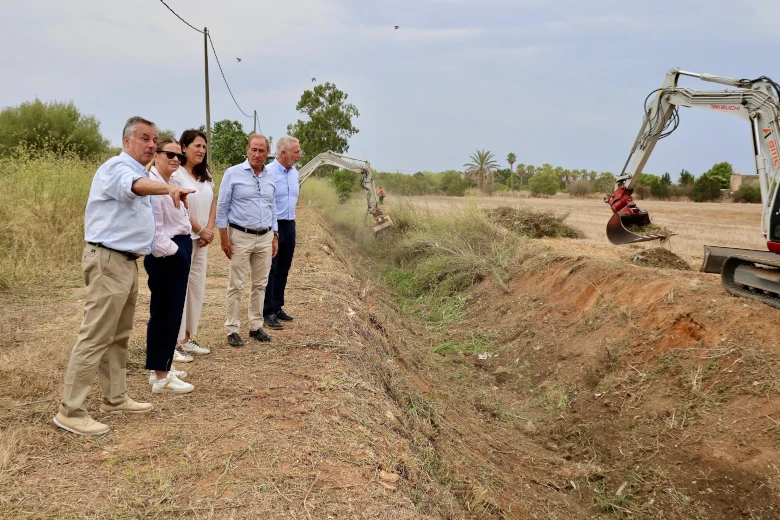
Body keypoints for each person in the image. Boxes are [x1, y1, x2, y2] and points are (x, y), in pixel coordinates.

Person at [54, 116, 194, 436]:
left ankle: (114, 398)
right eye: (145, 138)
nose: (151, 145)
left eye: (154, 139)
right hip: (108, 261)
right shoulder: (118, 168)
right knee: (95, 335)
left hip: (126, 263)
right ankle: (70, 410)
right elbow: (134, 187)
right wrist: (168, 188)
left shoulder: (139, 172)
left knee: (118, 336)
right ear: (126, 141)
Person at [216, 134, 278, 347]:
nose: (257, 154)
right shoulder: (232, 173)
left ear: (267, 153)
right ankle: (232, 328)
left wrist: (275, 235)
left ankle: (255, 325)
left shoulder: (270, 176)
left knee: (260, 284)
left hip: (265, 236)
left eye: (262, 151)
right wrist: (224, 238)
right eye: (254, 149)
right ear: (247, 149)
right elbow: (222, 207)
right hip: (240, 236)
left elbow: (273, 207)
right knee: (237, 285)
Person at [145, 137, 195, 394]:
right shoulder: (153, 187)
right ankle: (161, 375)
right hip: (168, 254)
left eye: (179, 155)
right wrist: (176, 253)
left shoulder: (172, 183)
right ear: (156, 155)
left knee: (172, 311)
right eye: (170, 155)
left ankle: (162, 367)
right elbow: (153, 229)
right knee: (164, 313)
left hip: (178, 248)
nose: (176, 159)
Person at [174, 129, 215, 360]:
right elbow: (178, 206)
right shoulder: (177, 174)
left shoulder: (205, 174)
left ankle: (188, 338)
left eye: (203, 146)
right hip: (184, 239)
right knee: (181, 290)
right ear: (183, 147)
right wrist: (200, 229)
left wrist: (208, 229)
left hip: (202, 240)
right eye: (196, 146)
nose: (201, 150)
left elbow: (212, 201)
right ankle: (175, 341)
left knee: (197, 289)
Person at [263, 136, 302, 330]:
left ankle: (277, 306)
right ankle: (267, 311)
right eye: (296, 152)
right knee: (271, 269)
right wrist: (273, 231)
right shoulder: (268, 172)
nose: (299, 155)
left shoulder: (295, 173)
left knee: (284, 268)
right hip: (273, 225)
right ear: (283, 153)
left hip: (290, 224)